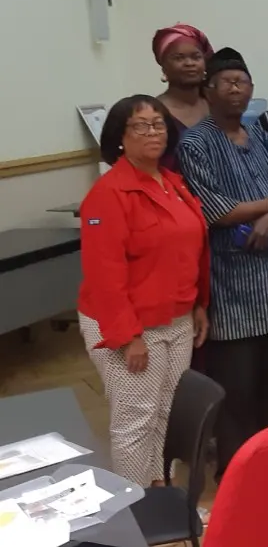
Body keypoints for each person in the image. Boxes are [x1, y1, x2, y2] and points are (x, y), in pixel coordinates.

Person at [77, 95, 210, 486]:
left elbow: (191, 251)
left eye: (159, 125)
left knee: (169, 412)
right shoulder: (108, 193)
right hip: (130, 327)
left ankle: (161, 494)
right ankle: (136, 513)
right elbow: (104, 275)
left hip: (177, 318)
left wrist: (199, 305)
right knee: (136, 419)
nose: (153, 133)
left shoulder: (172, 183)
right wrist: (127, 336)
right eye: (141, 126)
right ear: (120, 137)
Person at [177, 56, 268, 478]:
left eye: (242, 82)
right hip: (231, 291)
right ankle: (235, 475)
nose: (235, 89)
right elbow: (215, 210)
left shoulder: (265, 138)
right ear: (208, 89)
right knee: (236, 393)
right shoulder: (194, 145)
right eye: (226, 82)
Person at [154, 24, 213, 172]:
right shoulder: (154, 112)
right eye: (179, 58)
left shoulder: (217, 105)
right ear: (163, 67)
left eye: (196, 57)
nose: (189, 63)